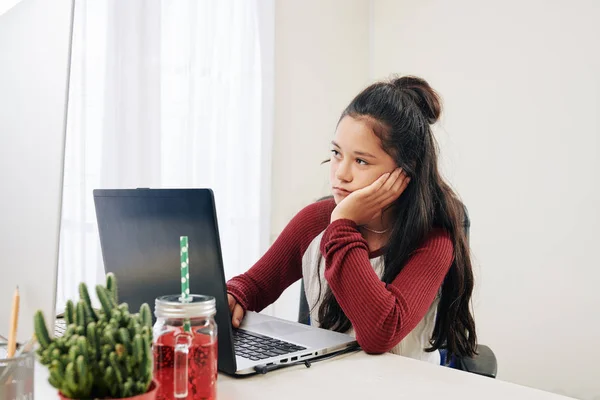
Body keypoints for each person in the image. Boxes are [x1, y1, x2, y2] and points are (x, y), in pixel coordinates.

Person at [226, 75, 477, 364]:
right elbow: (254, 286)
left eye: (361, 161)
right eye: (336, 153)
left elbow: (379, 333)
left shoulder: (432, 239)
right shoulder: (314, 222)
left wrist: (342, 224)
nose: (340, 173)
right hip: (328, 384)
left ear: (406, 171)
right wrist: (236, 294)